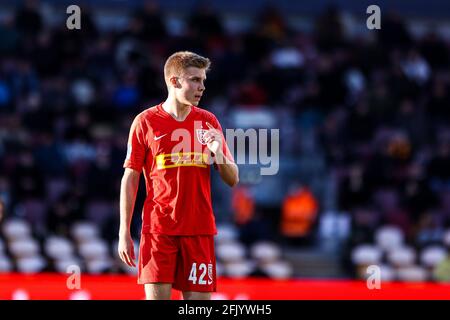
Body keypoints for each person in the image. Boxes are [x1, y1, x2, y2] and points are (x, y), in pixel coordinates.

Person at [118, 51, 239, 300]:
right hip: (159, 230)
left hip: (199, 230)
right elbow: (130, 179)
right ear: (174, 81)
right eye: (195, 80)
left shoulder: (208, 122)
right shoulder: (146, 122)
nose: (201, 87)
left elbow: (233, 179)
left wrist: (218, 153)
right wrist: (124, 232)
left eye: (203, 81)